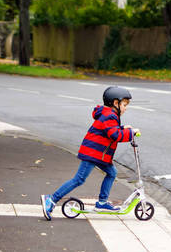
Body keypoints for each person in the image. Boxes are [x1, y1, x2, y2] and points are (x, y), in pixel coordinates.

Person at [40, 86, 140, 220]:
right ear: (115, 103)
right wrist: (130, 133)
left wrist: (123, 128)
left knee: (112, 173)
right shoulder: (109, 115)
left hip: (99, 154)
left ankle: (102, 203)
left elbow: (110, 130)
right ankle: (51, 199)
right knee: (79, 179)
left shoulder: (109, 115)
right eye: (124, 105)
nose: (125, 108)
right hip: (93, 153)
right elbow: (114, 135)